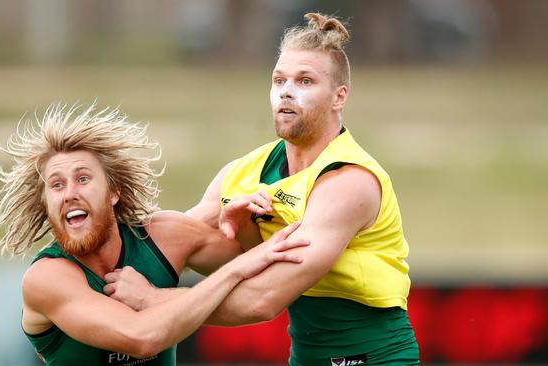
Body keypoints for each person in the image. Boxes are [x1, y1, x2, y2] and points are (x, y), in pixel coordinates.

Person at [104, 13, 420, 365]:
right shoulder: (243, 173)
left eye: (305, 81)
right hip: (306, 356)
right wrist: (86, 266)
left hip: (372, 357)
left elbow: (263, 300)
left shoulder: (349, 182)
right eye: (279, 80)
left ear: (338, 97)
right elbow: (173, 241)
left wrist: (154, 301)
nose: (286, 91)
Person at [0, 102, 309, 366]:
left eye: (83, 178)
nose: (69, 193)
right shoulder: (47, 278)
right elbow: (141, 338)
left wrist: (246, 228)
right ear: (47, 204)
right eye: (56, 185)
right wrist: (155, 297)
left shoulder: (164, 237)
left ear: (113, 192)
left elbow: (264, 285)